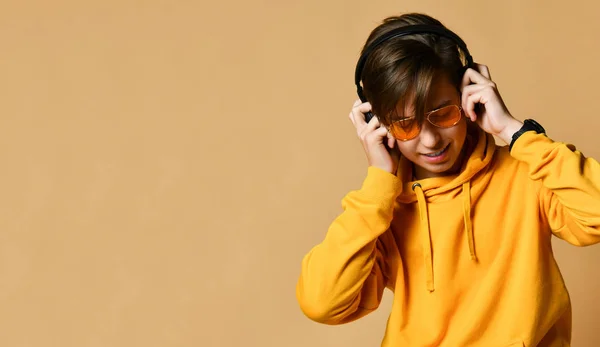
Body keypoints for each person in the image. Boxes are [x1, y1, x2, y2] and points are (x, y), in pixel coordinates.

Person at [295, 12, 600, 347]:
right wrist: (379, 182)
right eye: (405, 123)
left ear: (468, 93)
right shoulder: (382, 211)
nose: (430, 140)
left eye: (442, 113)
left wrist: (513, 130)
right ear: (375, 123)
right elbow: (323, 303)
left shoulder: (526, 172)